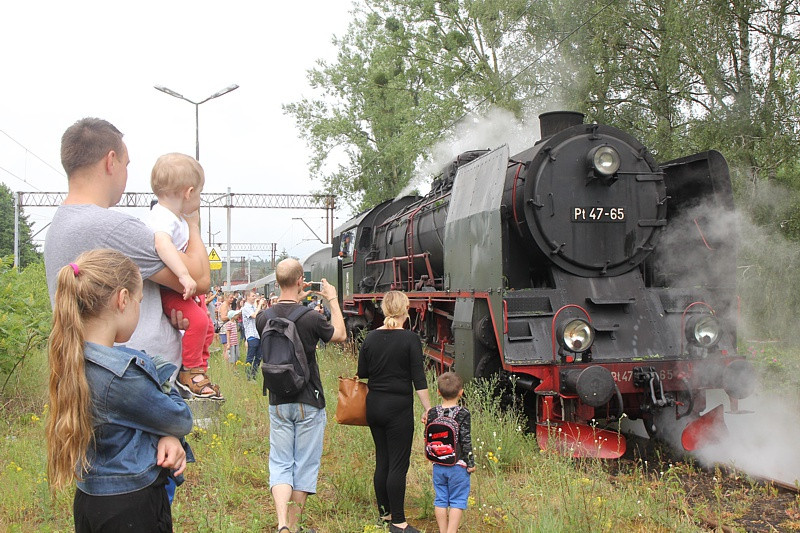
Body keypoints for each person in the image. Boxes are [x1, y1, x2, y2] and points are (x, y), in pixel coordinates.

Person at [44, 117, 210, 503]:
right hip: (135, 408)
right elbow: (199, 277)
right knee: (139, 504)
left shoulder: (60, 226)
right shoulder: (113, 227)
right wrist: (193, 220)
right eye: (128, 164)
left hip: (105, 404)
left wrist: (161, 306)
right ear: (110, 160)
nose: (128, 174)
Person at [46, 249, 193, 532]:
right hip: (131, 506)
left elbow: (129, 419)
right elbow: (180, 418)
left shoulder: (71, 359)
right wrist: (168, 420)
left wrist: (165, 433)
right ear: (123, 299)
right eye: (139, 301)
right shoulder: (119, 375)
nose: (138, 309)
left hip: (90, 501)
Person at [256, 258, 346, 533]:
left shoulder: (263, 317)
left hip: (278, 401)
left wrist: (295, 294)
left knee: (281, 464)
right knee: (304, 466)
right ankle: (293, 529)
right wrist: (332, 299)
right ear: (300, 281)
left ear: (276, 281)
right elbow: (340, 335)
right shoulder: (311, 317)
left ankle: (282, 524)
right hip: (309, 398)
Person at [146, 153, 220, 400]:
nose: (198, 200)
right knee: (199, 323)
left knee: (207, 326)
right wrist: (184, 275)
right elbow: (162, 244)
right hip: (171, 288)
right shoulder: (163, 217)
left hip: (178, 287)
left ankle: (200, 367)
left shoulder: (174, 217)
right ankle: (189, 371)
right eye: (199, 194)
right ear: (188, 192)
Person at [357, 291, 432, 533]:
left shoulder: (369, 338)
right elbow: (418, 379)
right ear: (405, 310)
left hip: (374, 406)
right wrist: (429, 409)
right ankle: (399, 523)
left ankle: (385, 515)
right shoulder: (410, 339)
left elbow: (363, 372)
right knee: (399, 464)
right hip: (398, 408)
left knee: (383, 460)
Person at [427, 372, 475, 533]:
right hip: (458, 465)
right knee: (457, 501)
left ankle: (442, 530)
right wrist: (470, 463)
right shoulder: (463, 413)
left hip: (438, 463)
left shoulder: (433, 412)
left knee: (440, 499)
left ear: (438, 392)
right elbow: (465, 439)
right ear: (461, 392)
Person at [241, 291, 263, 380]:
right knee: (250, 357)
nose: (255, 297)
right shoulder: (246, 308)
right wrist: (259, 305)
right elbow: (254, 315)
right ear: (247, 297)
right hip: (251, 335)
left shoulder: (253, 307)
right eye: (253, 296)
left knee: (259, 357)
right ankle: (248, 376)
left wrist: (259, 305)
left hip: (258, 335)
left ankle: (254, 375)